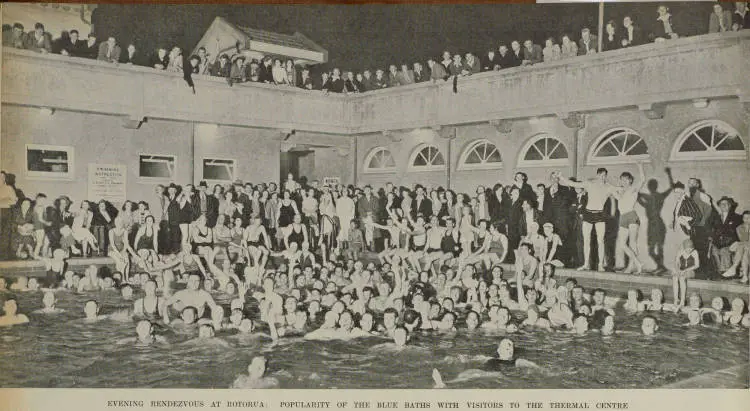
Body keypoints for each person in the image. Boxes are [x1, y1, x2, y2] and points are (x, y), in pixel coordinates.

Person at [557, 169, 619, 271]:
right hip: (588, 214)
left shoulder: (608, 187)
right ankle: (586, 264)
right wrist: (561, 177)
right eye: (601, 175)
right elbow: (573, 183)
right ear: (597, 175)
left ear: (606, 176)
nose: (602, 178)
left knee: (600, 241)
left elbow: (620, 193)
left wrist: (623, 187)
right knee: (586, 240)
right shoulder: (589, 184)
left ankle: (600, 265)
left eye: (604, 176)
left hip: (600, 215)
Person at [673, 239, 699, 308]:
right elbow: (676, 263)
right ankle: (676, 299)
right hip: (681, 270)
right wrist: (678, 270)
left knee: (682, 278)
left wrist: (686, 270)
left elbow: (697, 265)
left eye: (691, 249)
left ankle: (682, 300)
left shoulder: (695, 252)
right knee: (675, 278)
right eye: (687, 249)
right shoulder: (680, 252)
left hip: (690, 271)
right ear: (684, 248)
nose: (689, 251)